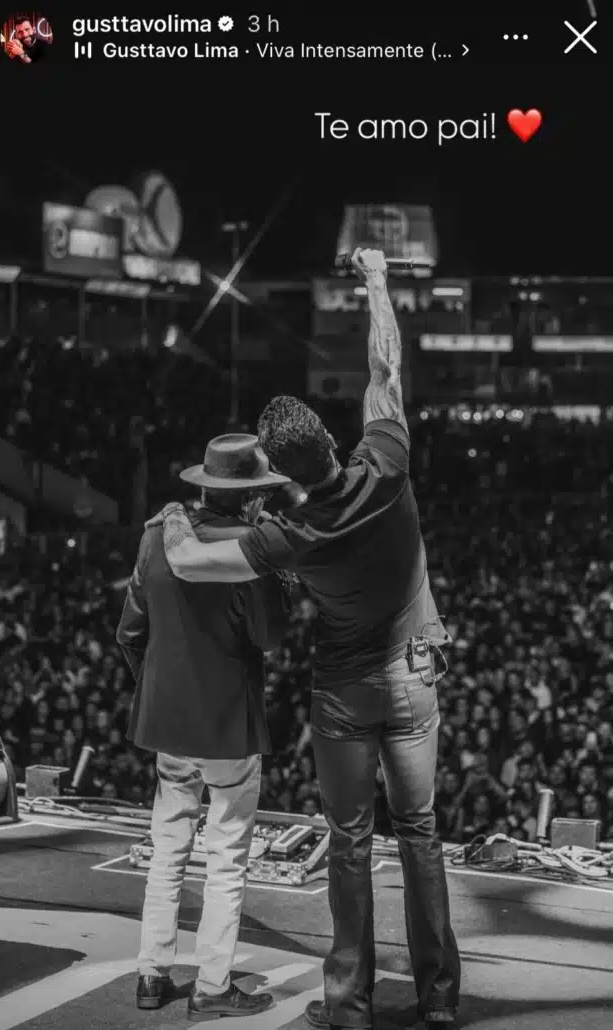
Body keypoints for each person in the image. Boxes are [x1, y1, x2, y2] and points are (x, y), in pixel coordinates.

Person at [148, 248, 461, 1030]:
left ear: (281, 477)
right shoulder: (386, 460)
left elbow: (189, 558)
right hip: (416, 672)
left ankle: (349, 1005)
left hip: (346, 692)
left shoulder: (291, 533)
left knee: (351, 841)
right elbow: (385, 365)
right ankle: (440, 1000)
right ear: (331, 434)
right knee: (420, 832)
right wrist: (379, 281)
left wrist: (180, 509)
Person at [117, 434, 291, 1019]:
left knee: (167, 848)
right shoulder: (251, 550)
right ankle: (213, 989)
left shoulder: (155, 538)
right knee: (225, 858)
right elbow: (270, 637)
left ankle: (151, 975)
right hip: (226, 727)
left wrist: (162, 692)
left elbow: (130, 633)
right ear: (250, 498)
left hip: (167, 724)